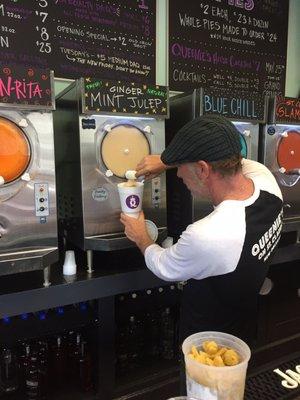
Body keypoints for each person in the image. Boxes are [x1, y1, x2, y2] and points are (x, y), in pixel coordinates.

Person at [120, 115, 283, 346]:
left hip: (208, 346)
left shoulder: (208, 234)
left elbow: (164, 266)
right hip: (244, 324)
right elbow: (240, 161)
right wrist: (168, 161)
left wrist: (141, 237)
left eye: (181, 168)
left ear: (203, 169)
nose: (177, 174)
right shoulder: (266, 182)